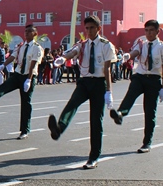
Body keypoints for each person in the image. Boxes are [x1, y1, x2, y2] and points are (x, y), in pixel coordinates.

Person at [47, 15, 118, 169]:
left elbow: (107, 70)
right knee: (72, 103)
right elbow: (72, 52)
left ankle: (94, 157)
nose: (89, 31)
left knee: (95, 120)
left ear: (98, 29)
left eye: (92, 28)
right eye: (86, 28)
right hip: (85, 82)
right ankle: (59, 129)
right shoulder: (83, 44)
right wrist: (61, 59)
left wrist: (108, 91)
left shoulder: (106, 45)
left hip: (99, 83)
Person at [109, 19, 163, 153]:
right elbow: (135, 52)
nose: (148, 33)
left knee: (150, 112)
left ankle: (147, 143)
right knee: (130, 96)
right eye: (146, 30)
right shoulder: (141, 44)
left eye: (151, 30)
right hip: (140, 77)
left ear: (157, 31)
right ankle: (120, 113)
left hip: (154, 80)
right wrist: (128, 56)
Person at [0, 24, 44, 140]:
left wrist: (29, 79)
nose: (26, 34)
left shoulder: (37, 48)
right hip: (18, 74)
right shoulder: (20, 46)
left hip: (28, 76)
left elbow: (33, 63)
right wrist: (3, 65)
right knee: (4, 86)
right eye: (25, 32)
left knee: (26, 103)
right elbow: (13, 57)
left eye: (29, 32)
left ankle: (25, 130)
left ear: (35, 34)